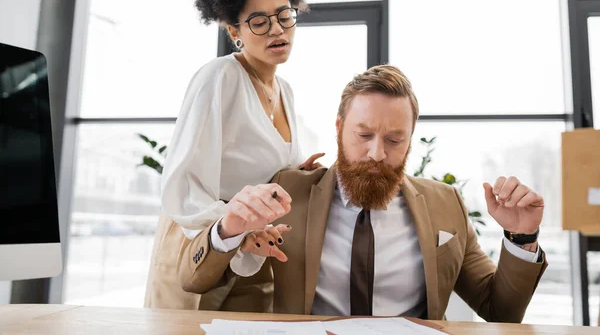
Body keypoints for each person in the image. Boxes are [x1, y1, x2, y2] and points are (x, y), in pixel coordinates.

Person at [178, 65, 548, 322]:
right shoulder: (287, 189)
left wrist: (523, 238)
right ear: (339, 128)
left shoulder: (444, 203)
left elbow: (500, 311)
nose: (377, 153)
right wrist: (227, 230)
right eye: (363, 135)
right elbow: (193, 280)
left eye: (394, 139)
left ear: (410, 140)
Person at [144, 0, 324, 311]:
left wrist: (293, 174)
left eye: (284, 15)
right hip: (202, 242)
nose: (277, 30)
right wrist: (231, 227)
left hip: (252, 250)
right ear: (234, 31)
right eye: (259, 21)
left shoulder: (285, 90)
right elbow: (184, 182)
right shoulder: (220, 77)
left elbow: (255, 168)